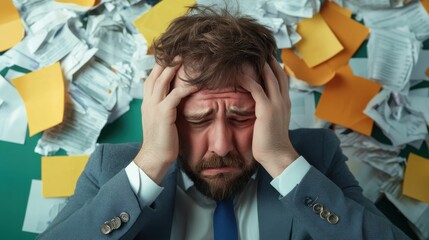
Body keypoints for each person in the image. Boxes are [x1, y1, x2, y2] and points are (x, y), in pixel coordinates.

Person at [38, 5, 410, 240]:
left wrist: (283, 161)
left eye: (241, 117)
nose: (221, 145)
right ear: (162, 114)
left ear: (275, 108)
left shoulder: (316, 156)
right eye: (198, 119)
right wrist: (149, 163)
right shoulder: (113, 171)